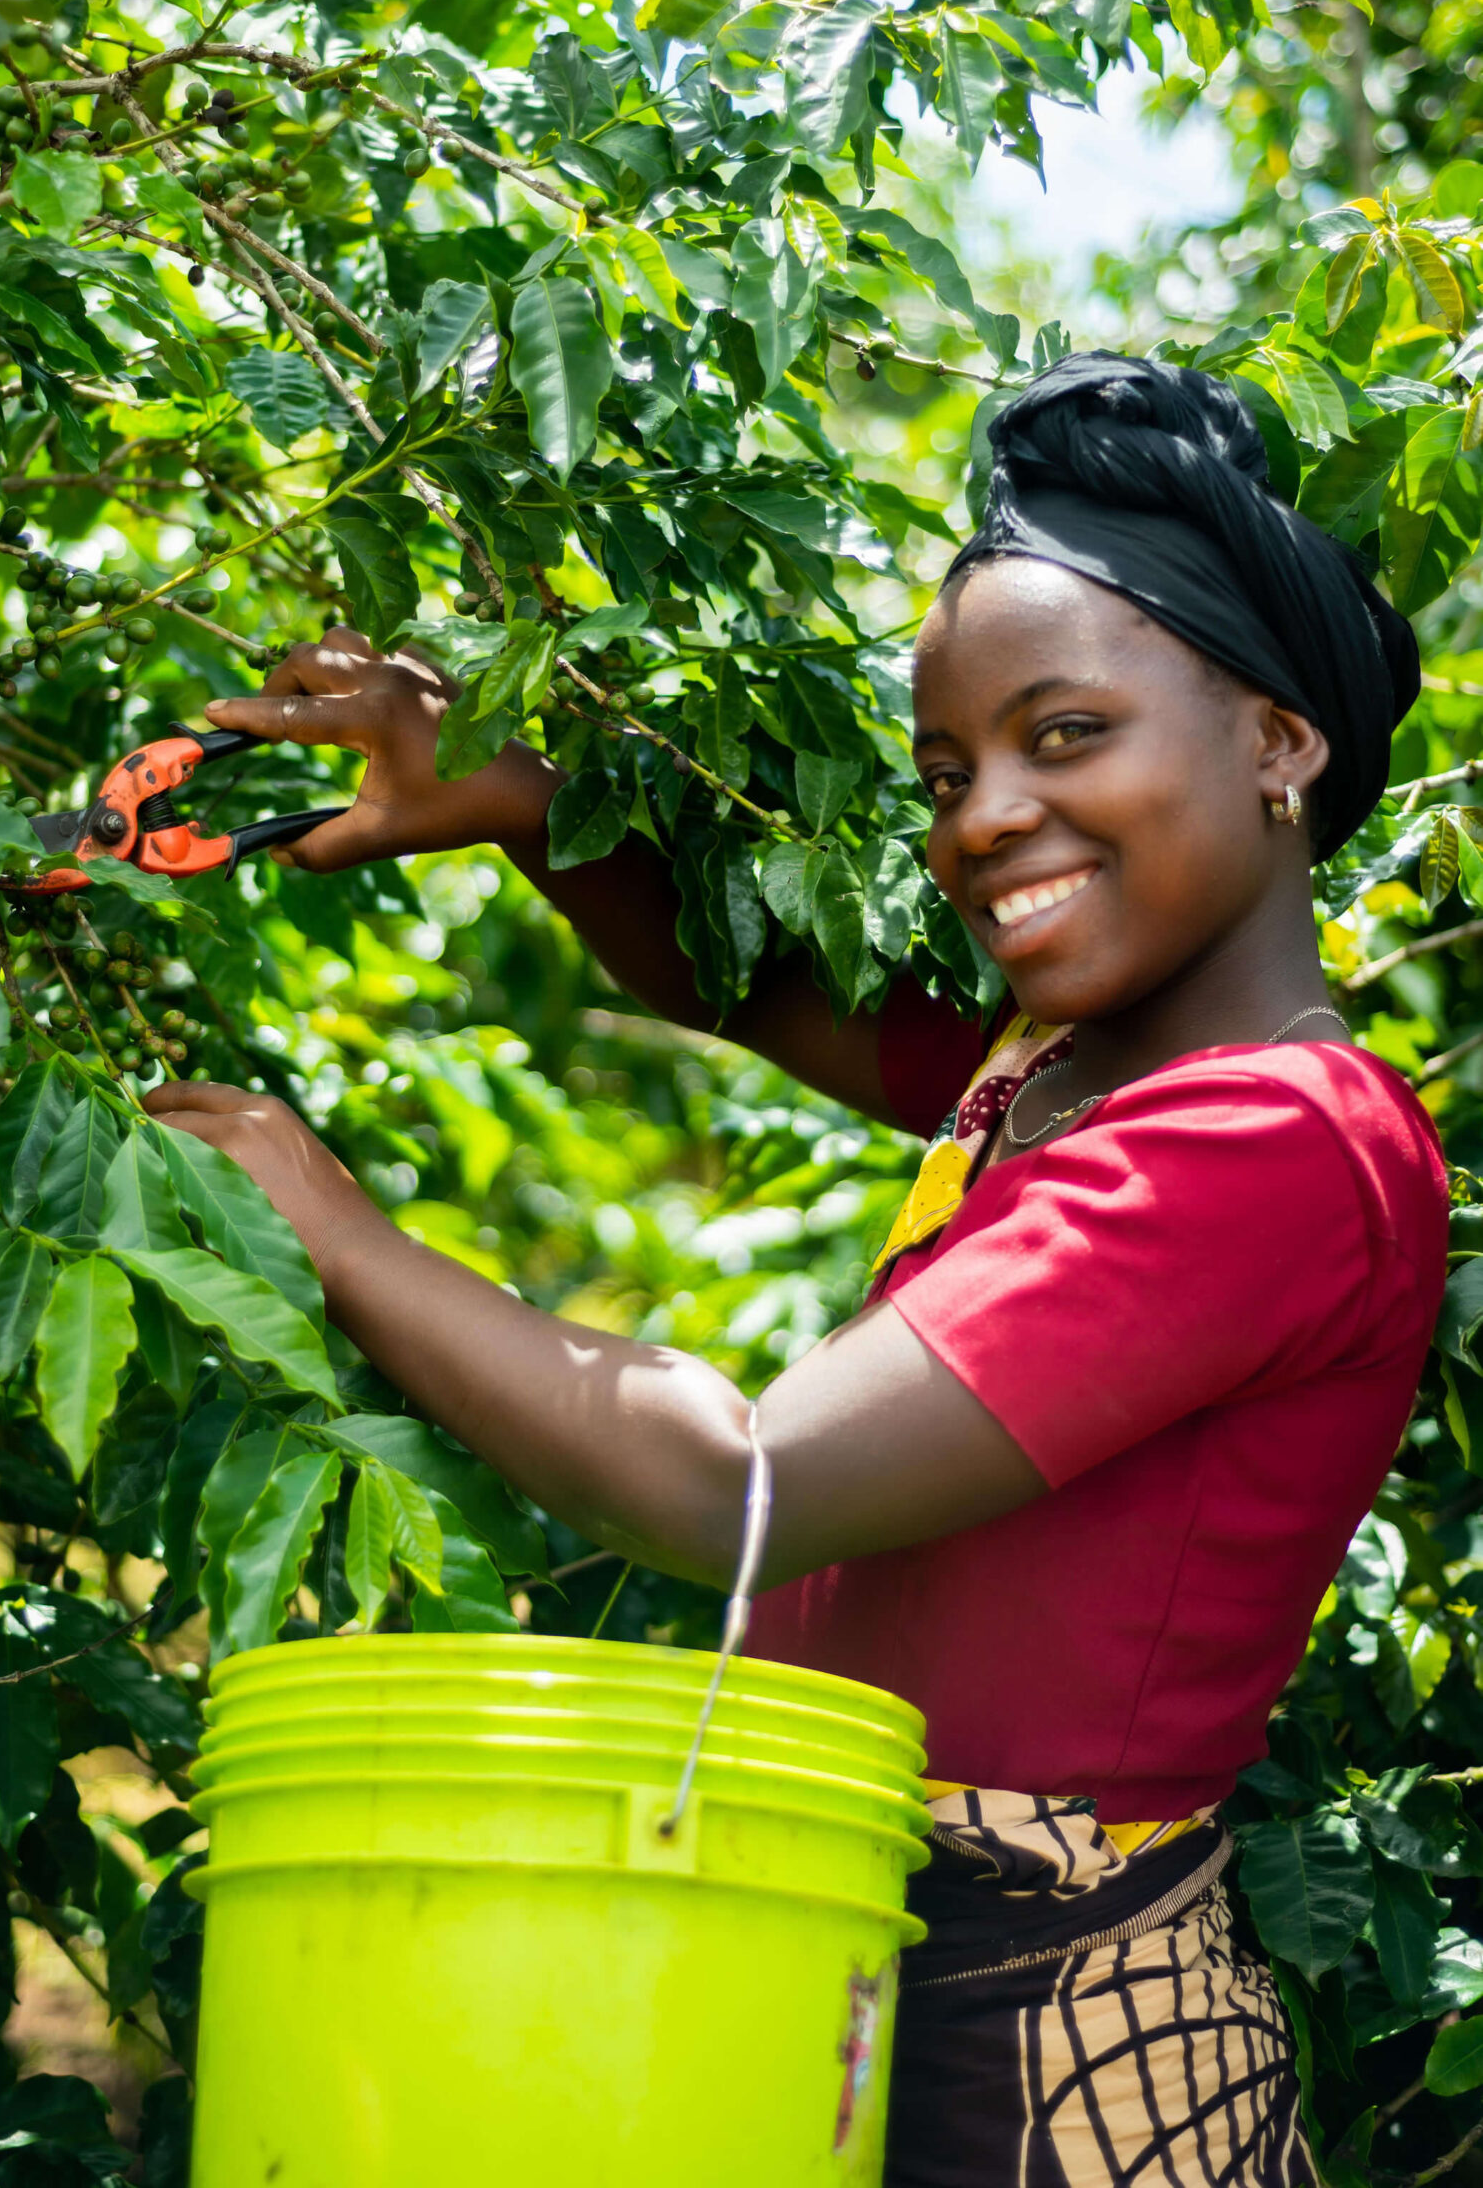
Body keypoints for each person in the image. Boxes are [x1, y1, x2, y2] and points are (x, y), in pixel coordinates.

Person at [149, 353, 1446, 2186]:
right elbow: (748, 989)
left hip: (1055, 2058)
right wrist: (520, 802)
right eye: (949, 770)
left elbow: (734, 1488)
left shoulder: (1274, 1143)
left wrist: (331, 1230)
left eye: (1064, 736)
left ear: (1276, 743)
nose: (982, 818)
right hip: (864, 1960)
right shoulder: (1068, 1068)